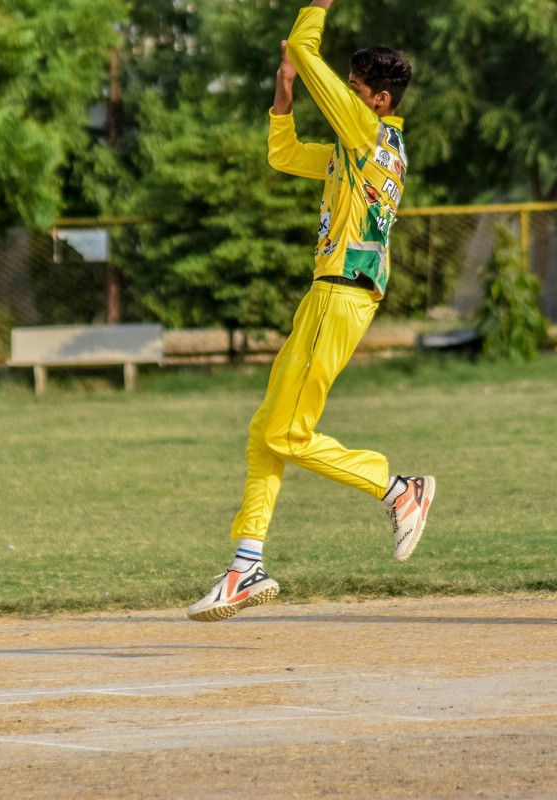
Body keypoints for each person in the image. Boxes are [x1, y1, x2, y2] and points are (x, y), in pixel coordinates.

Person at [186, 0, 433, 623]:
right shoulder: (359, 146)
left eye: (354, 88)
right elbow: (284, 155)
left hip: (340, 294)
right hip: (331, 295)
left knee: (286, 434)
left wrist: (316, 8)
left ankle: (397, 488)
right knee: (265, 432)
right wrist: (283, 94)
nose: (344, 95)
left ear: (379, 100)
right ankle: (246, 566)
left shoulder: (368, 133)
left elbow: (303, 46)